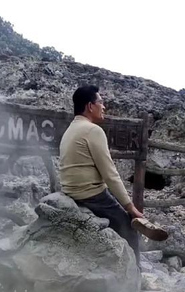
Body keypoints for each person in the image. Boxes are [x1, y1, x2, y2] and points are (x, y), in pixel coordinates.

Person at [58, 85, 167, 264]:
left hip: (70, 191)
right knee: (127, 227)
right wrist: (131, 208)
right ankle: (136, 273)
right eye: (100, 102)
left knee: (116, 203)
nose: (104, 107)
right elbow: (110, 174)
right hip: (90, 194)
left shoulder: (71, 129)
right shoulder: (93, 130)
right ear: (90, 106)